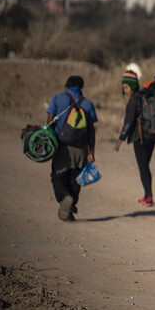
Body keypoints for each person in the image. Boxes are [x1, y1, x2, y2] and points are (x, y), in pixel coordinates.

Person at [46, 75, 98, 221]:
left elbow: (49, 122)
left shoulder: (57, 98)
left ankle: (65, 197)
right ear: (81, 89)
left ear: (65, 87)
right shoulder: (87, 103)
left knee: (58, 176)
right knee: (76, 179)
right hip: (81, 150)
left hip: (62, 147)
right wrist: (91, 152)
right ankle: (69, 209)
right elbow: (91, 130)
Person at [113, 70, 155, 207]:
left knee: (143, 167)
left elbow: (128, 122)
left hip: (140, 138)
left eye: (126, 87)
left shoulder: (133, 101)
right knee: (145, 165)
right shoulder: (146, 96)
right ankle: (148, 195)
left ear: (132, 86)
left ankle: (148, 196)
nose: (125, 91)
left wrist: (119, 141)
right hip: (152, 136)